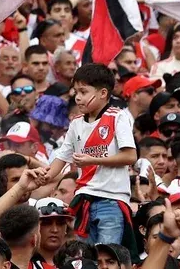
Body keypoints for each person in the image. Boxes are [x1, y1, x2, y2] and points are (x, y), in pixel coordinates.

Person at [46, 64, 135, 245]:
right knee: (86, 256)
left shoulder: (117, 117)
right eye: (75, 92)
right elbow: (62, 157)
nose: (78, 97)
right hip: (84, 199)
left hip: (111, 200)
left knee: (106, 253)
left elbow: (130, 156)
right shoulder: (76, 123)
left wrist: (93, 160)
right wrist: (44, 176)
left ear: (103, 93)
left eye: (83, 92)